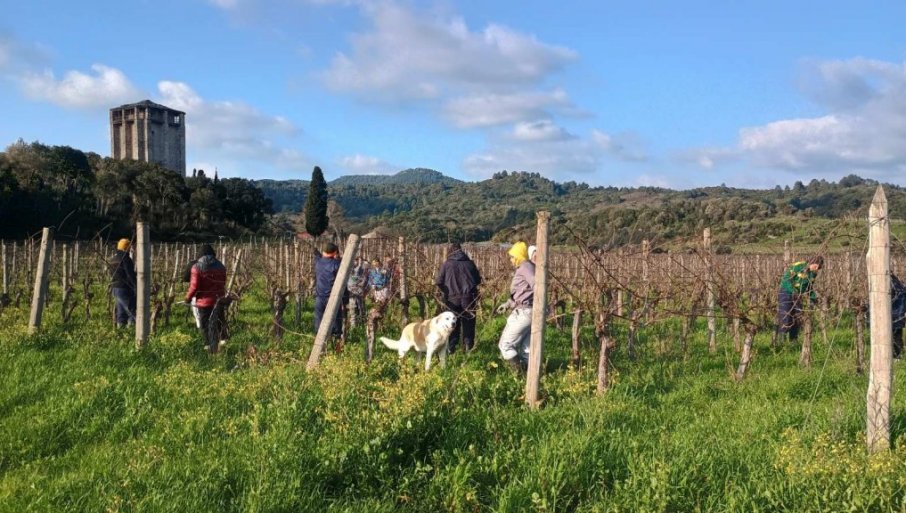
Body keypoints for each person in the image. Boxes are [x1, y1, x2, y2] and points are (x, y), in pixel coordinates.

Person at [435, 242, 482, 353]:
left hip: (452, 300)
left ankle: (451, 348)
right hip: (469, 299)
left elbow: (439, 282)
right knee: (469, 324)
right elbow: (478, 281)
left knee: (452, 324)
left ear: (451, 252)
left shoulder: (447, 264)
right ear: (462, 251)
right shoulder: (470, 264)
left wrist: (446, 293)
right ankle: (468, 349)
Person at [496, 242, 535, 373]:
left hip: (524, 312)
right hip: (530, 311)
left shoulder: (525, 267)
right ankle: (530, 377)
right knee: (526, 348)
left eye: (513, 256)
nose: (511, 260)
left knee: (505, 345)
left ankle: (519, 374)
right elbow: (522, 292)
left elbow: (537, 285)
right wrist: (507, 304)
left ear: (519, 256)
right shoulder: (527, 267)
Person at [185, 245, 228, 353]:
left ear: (200, 255)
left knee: (205, 325)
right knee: (219, 321)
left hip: (204, 302)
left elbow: (194, 286)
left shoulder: (196, 267)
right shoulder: (221, 266)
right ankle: (223, 342)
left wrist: (188, 298)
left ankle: (209, 346)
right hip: (219, 300)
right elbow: (222, 283)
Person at [776, 255, 824, 342]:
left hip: (798, 295)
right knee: (785, 317)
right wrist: (793, 291)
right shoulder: (798, 266)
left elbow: (809, 287)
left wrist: (813, 298)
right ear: (812, 263)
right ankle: (781, 341)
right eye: (816, 266)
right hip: (786, 293)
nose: (817, 269)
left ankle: (793, 340)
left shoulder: (813, 273)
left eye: (819, 268)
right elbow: (787, 279)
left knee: (797, 317)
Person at [313, 242, 344, 338]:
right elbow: (343, 283)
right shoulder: (337, 265)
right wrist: (345, 300)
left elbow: (318, 256)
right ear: (335, 252)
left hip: (319, 297)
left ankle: (320, 341)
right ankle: (335, 339)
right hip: (333, 297)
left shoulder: (317, 262)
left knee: (319, 320)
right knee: (335, 321)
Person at [109, 238, 136, 328]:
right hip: (125, 287)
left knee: (120, 309)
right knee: (131, 310)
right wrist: (135, 286)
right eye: (130, 246)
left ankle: (120, 328)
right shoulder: (125, 258)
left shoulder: (113, 259)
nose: (131, 248)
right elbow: (129, 274)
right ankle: (132, 329)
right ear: (126, 247)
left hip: (115, 287)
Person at [347, 257, 370, 326]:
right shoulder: (348, 271)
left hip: (360, 294)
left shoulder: (363, 271)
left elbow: (366, 282)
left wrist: (365, 291)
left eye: (357, 261)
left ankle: (362, 325)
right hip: (351, 294)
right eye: (354, 261)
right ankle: (353, 327)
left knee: (361, 309)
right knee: (353, 310)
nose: (355, 262)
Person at [892, 273, 906, 359]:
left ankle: (897, 356)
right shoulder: (898, 285)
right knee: (897, 336)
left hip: (894, 315)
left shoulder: (891, 284)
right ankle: (898, 355)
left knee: (895, 336)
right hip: (898, 316)